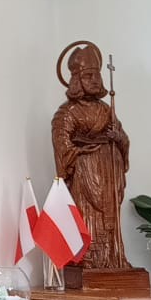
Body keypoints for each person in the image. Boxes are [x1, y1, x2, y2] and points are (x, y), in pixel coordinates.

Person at [51, 41, 132, 270]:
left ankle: (113, 259)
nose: (95, 80)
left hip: (109, 173)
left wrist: (118, 138)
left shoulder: (106, 109)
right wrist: (79, 152)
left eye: (97, 75)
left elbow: (123, 137)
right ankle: (88, 258)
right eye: (88, 75)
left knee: (110, 220)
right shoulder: (67, 112)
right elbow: (61, 142)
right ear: (76, 79)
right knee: (88, 218)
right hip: (85, 175)